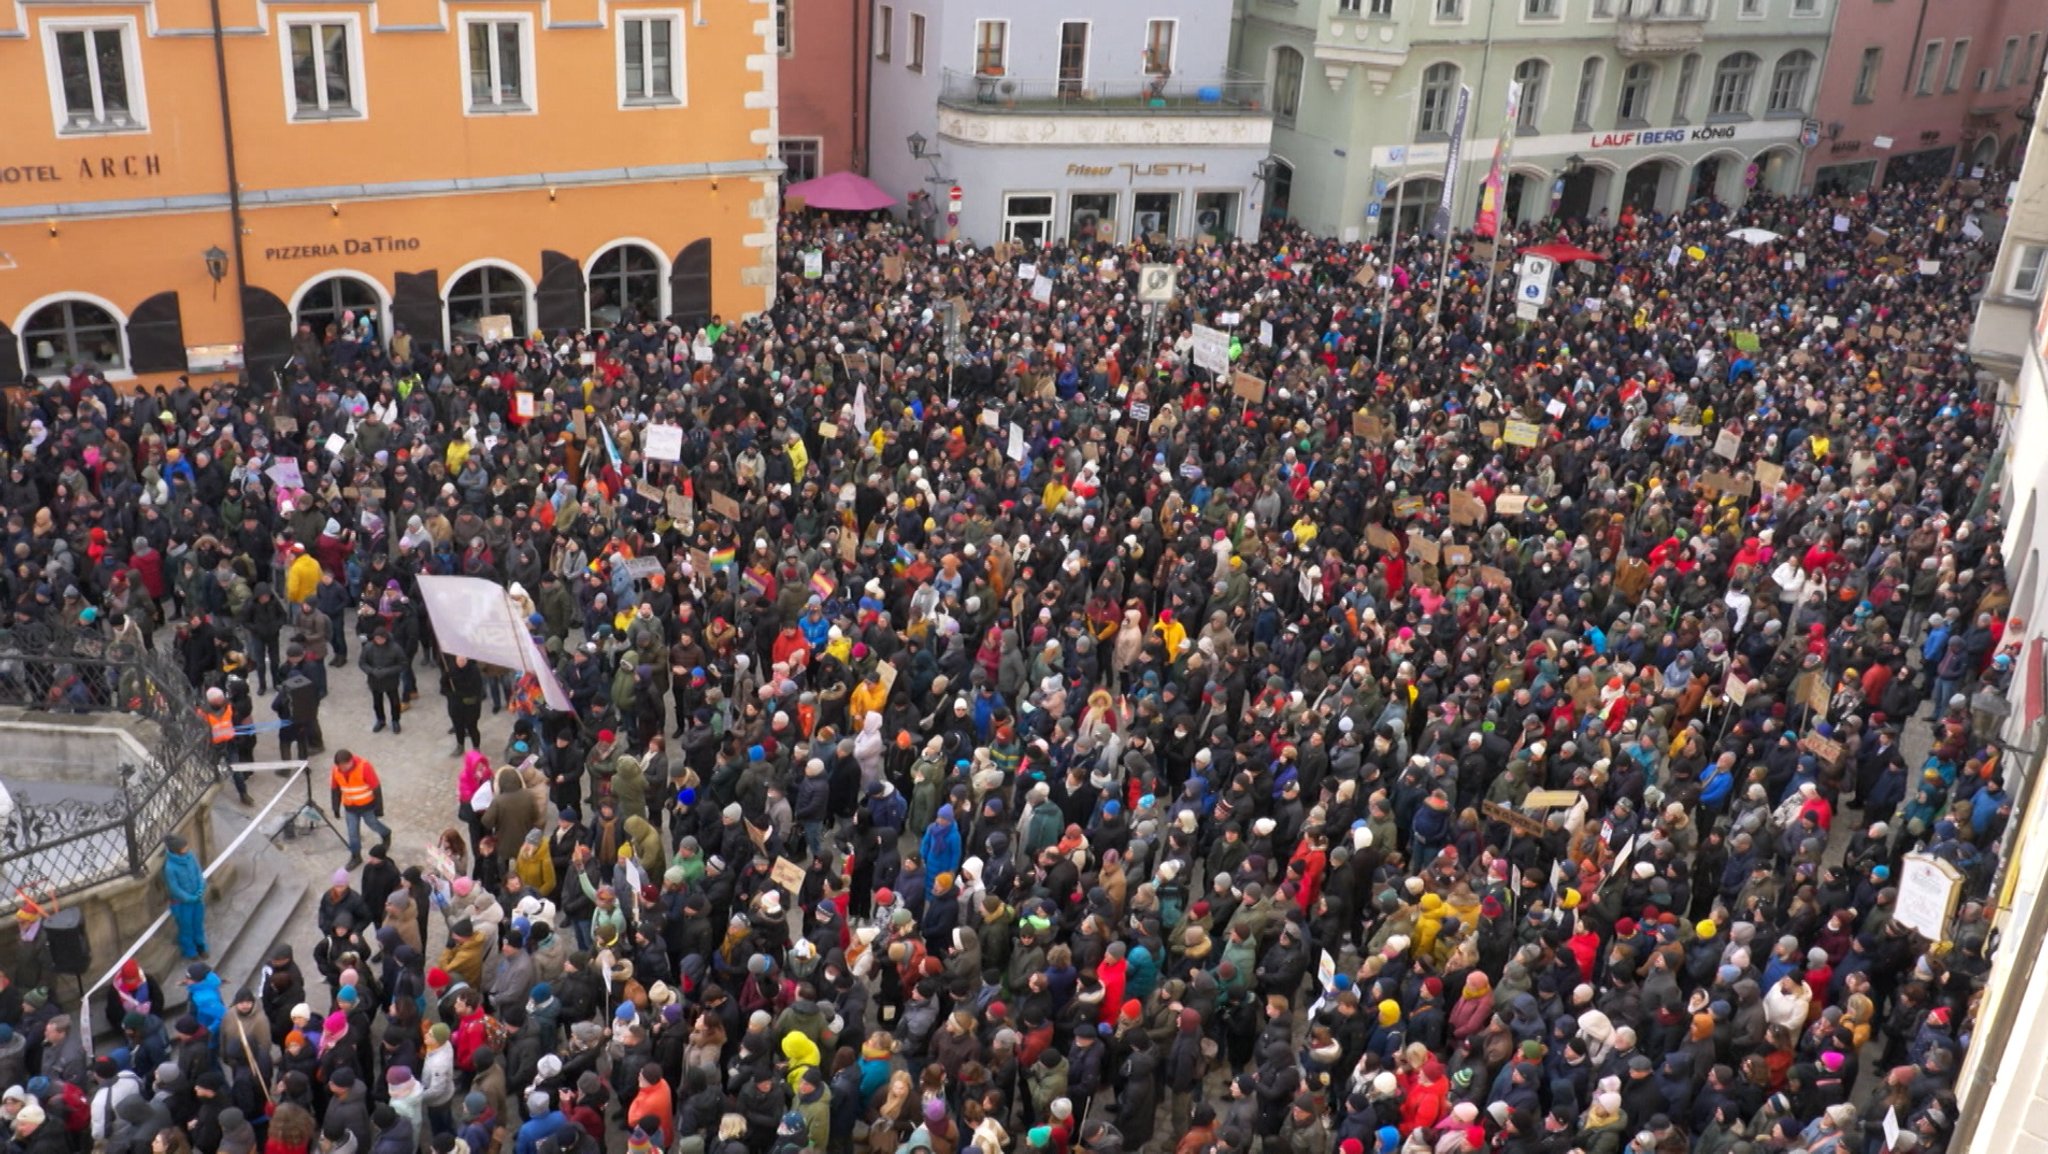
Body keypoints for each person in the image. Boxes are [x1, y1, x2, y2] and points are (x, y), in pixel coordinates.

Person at [328, 750, 390, 870]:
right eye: (340, 766)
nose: (343, 769)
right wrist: (336, 808)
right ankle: (356, 856)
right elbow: (335, 790)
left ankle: (386, 833)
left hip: (367, 806)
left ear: (351, 761)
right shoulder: (336, 770)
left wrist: (379, 809)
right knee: (352, 833)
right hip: (350, 808)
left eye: (345, 766)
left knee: (373, 824)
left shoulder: (364, 767)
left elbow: (376, 788)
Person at [161, 834, 207, 960]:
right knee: (186, 928)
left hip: (196, 900)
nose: (187, 848)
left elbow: (198, 873)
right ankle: (190, 951)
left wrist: (201, 887)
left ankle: (201, 946)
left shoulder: (191, 857)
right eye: (184, 847)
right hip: (182, 904)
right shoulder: (170, 867)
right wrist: (189, 898)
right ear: (177, 850)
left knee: (198, 924)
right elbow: (174, 888)